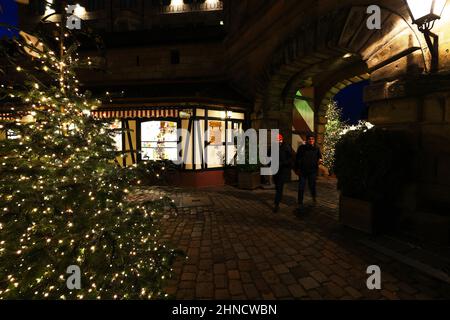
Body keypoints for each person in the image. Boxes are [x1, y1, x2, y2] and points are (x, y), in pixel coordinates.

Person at [295, 133, 322, 211]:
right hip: (303, 171)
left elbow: (319, 157)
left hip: (312, 171)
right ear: (307, 140)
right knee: (301, 187)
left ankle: (314, 199)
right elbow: (297, 159)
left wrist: (320, 160)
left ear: (314, 140)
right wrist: (297, 169)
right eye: (310, 139)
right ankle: (300, 203)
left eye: (312, 139)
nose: (311, 140)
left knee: (312, 186)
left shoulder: (316, 148)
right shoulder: (301, 148)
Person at [273, 134, 294, 213]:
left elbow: (290, 158)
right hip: (275, 170)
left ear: (281, 140)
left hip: (282, 170)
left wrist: (283, 163)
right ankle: (278, 198)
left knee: (279, 186)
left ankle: (276, 204)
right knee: (277, 185)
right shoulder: (273, 147)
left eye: (279, 140)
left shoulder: (286, 147)